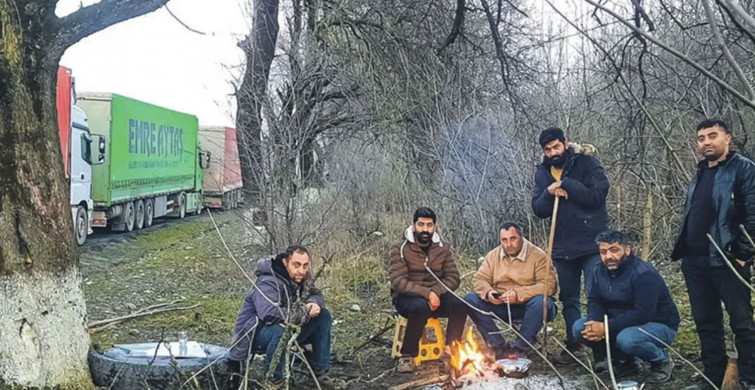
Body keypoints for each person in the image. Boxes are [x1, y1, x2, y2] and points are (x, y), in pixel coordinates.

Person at [671, 119, 755, 390]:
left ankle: (749, 379)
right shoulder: (700, 172)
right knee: (706, 323)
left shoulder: (744, 169)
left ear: (727, 138)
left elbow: (754, 215)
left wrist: (743, 254)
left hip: (728, 260)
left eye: (712, 136)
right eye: (701, 138)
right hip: (695, 261)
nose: (706, 142)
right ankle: (713, 376)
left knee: (742, 324)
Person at [532, 127, 610, 364]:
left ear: (565, 143)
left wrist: (567, 184)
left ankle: (601, 352)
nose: (553, 152)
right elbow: (539, 209)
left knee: (596, 294)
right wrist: (550, 191)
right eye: (548, 149)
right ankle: (574, 344)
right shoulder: (543, 172)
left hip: (590, 242)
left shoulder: (586, 163)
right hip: (562, 246)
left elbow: (597, 196)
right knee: (569, 299)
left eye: (556, 146)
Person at [573, 230, 679, 384]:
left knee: (627, 339)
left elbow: (643, 314)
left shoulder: (644, 273)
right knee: (579, 328)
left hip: (658, 325)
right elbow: (595, 300)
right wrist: (594, 323)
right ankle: (624, 363)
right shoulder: (598, 270)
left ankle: (662, 361)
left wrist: (605, 327)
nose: (608, 256)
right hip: (619, 322)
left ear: (627, 250)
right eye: (603, 252)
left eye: (614, 250)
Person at [228, 246, 332, 388]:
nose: (302, 270)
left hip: (288, 327)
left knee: (323, 316)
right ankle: (275, 381)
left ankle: (320, 373)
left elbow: (317, 294)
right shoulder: (268, 281)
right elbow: (269, 314)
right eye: (296, 265)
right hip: (254, 333)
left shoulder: (301, 276)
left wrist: (313, 303)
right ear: (285, 262)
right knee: (280, 329)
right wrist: (305, 312)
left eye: (305, 265)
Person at [388, 207, 467, 373]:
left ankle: (450, 352)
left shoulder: (442, 248)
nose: (425, 229)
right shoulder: (400, 248)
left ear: (435, 227)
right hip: (407, 297)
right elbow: (398, 282)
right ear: (414, 225)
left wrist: (436, 292)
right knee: (420, 306)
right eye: (421, 224)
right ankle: (407, 355)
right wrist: (427, 294)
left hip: (436, 295)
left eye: (429, 225)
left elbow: (453, 277)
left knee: (460, 305)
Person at [464, 222, 558, 358]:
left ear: (521, 237)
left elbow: (549, 286)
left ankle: (520, 349)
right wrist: (489, 292)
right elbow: (479, 279)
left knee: (540, 301)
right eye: (504, 240)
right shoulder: (493, 256)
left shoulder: (538, 256)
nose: (508, 244)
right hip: (502, 305)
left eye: (513, 239)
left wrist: (518, 295)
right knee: (470, 299)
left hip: (531, 308)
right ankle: (498, 348)